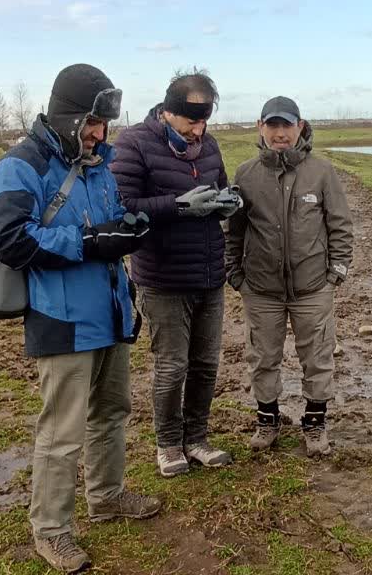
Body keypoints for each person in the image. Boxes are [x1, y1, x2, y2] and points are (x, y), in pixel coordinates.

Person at [0, 63, 160, 573]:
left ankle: (106, 497)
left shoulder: (100, 164)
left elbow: (109, 225)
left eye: (105, 125)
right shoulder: (19, 168)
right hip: (61, 323)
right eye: (92, 124)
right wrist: (86, 241)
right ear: (68, 115)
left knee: (113, 413)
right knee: (62, 434)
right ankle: (52, 531)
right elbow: (13, 241)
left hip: (110, 314)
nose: (100, 134)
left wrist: (130, 228)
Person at [112, 70, 239, 477]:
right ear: (168, 111)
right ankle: (168, 444)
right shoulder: (134, 142)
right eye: (190, 121)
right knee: (172, 366)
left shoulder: (209, 144)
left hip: (208, 272)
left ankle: (197, 438)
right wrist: (178, 206)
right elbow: (122, 205)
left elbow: (220, 183)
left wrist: (227, 201)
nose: (198, 129)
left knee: (205, 364)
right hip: (163, 276)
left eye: (204, 121)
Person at [225, 96, 354, 456]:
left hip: (314, 288)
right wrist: (236, 275)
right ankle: (267, 421)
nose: (280, 133)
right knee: (262, 356)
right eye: (273, 125)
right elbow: (234, 232)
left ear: (300, 127)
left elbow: (340, 225)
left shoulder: (322, 172)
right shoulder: (246, 174)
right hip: (261, 290)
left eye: (287, 125)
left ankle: (315, 424)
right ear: (260, 127)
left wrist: (335, 275)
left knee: (317, 356)